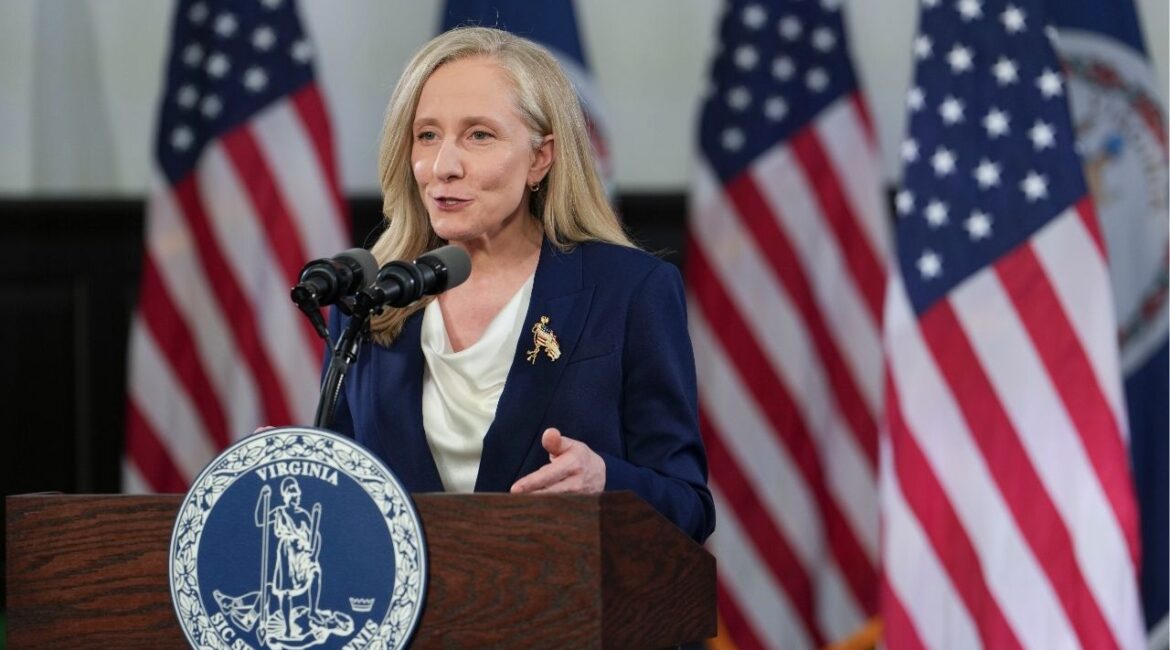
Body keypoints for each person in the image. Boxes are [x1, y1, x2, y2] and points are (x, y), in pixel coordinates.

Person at [327, 26, 714, 543]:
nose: (443, 166)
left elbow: (689, 507)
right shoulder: (372, 299)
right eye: (427, 135)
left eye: (479, 135)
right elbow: (341, 485)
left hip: (563, 591)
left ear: (540, 158)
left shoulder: (630, 291)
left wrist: (606, 481)